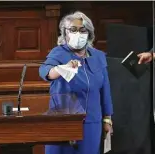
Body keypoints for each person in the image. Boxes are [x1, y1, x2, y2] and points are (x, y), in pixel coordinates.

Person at [39, 11, 113, 154]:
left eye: (82, 30)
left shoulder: (98, 56)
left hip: (91, 122)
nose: (78, 33)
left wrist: (107, 119)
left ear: (89, 33)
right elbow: (45, 71)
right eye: (72, 30)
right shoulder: (58, 53)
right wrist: (61, 69)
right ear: (65, 33)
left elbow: (105, 89)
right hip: (63, 121)